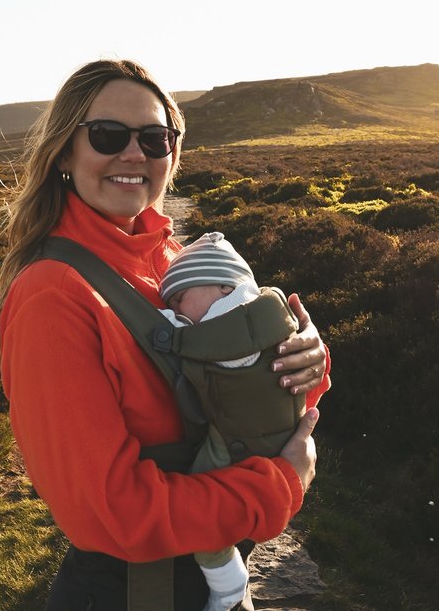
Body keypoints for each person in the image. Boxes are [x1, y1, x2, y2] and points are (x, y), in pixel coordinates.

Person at [0, 59, 330, 611]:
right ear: (64, 152)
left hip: (199, 584)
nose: (135, 154)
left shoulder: (173, 261)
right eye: (107, 135)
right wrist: (278, 486)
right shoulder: (51, 296)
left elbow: (233, 381)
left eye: (155, 138)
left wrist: (301, 362)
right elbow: (113, 514)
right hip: (132, 594)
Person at [157, 231, 307, 611]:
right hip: (283, 429)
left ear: (225, 287)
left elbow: (197, 346)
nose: (178, 311)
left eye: (179, 299)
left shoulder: (230, 318)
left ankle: (227, 583)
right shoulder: (266, 304)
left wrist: (165, 326)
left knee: (199, 512)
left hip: (237, 442)